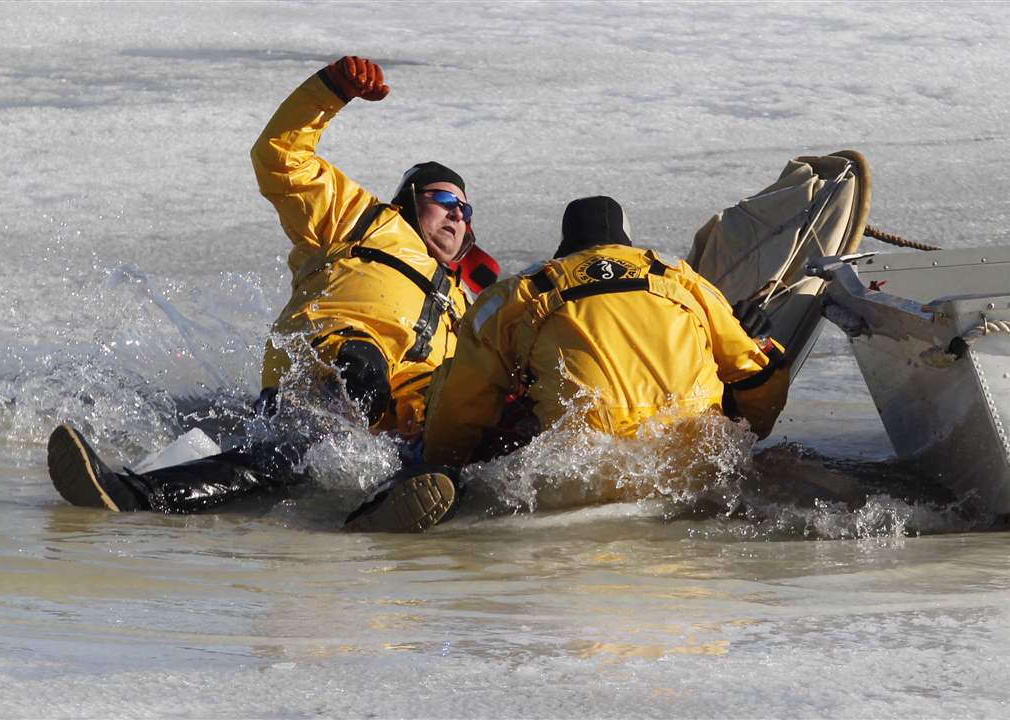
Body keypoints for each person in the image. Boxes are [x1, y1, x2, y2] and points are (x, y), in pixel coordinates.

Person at [47, 56, 488, 524]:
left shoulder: (463, 303)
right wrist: (330, 89)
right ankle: (134, 493)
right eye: (444, 200)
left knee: (455, 434)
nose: (456, 214)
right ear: (410, 201)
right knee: (327, 412)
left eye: (465, 209)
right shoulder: (362, 220)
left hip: (403, 408)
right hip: (333, 358)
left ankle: (389, 507)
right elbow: (280, 157)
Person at [344, 196, 790, 531]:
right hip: (693, 466)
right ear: (626, 244)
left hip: (580, 477)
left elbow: (463, 406)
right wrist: (747, 430)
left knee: (496, 434)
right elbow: (755, 372)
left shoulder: (519, 293)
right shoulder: (683, 280)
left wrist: (442, 461)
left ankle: (440, 492)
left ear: (566, 247)